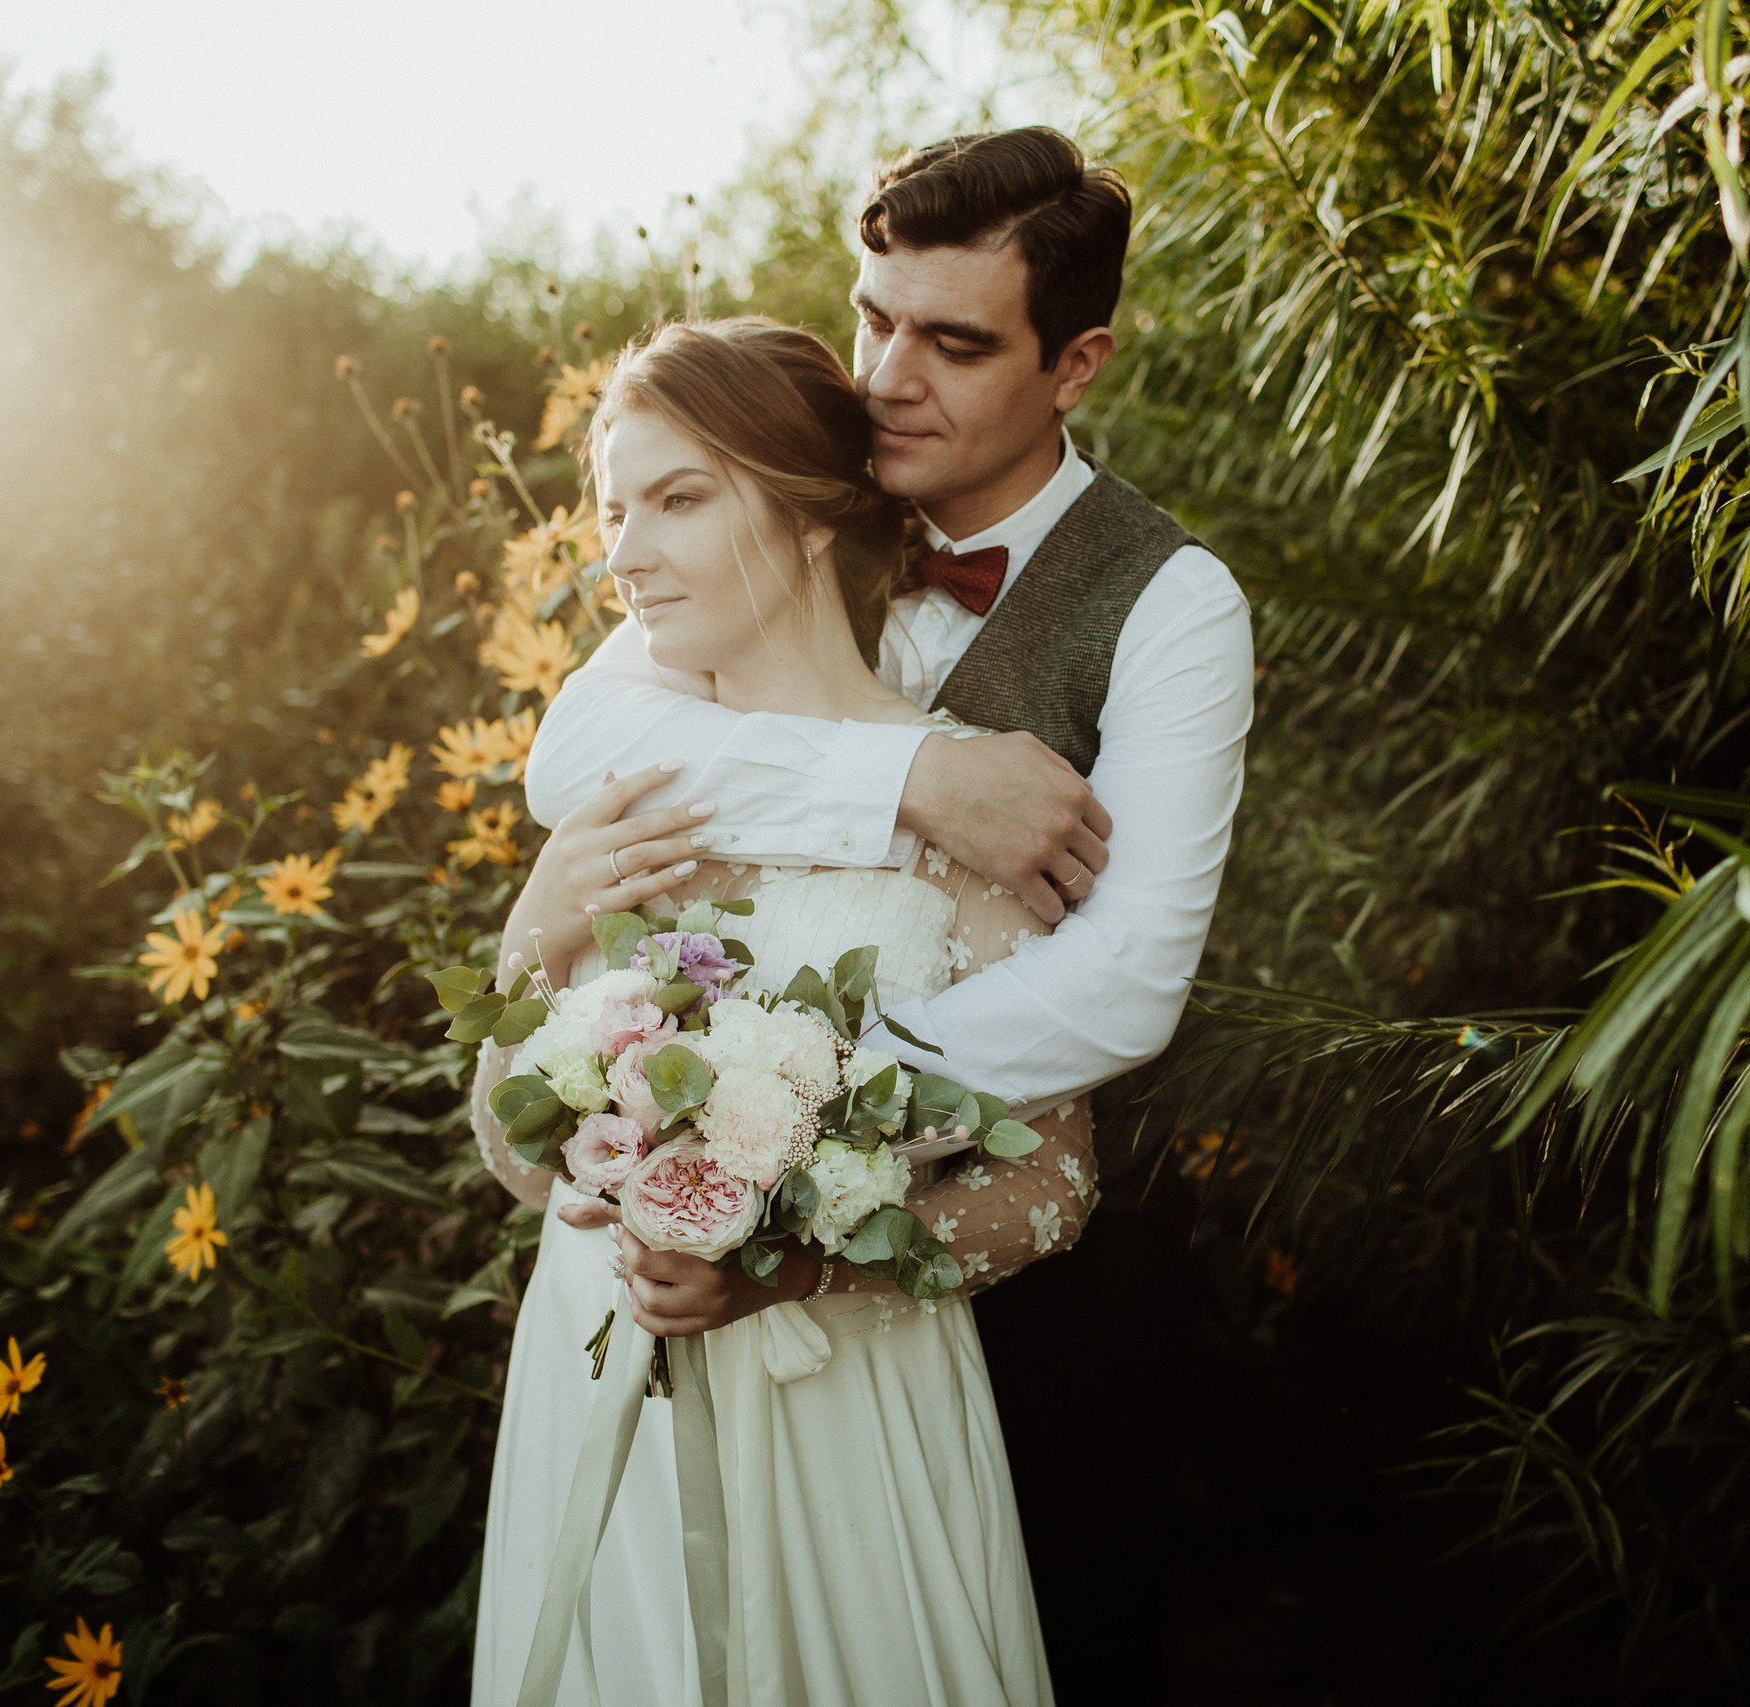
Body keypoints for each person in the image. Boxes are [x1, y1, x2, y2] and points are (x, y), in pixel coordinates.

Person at [518, 128, 1254, 1700]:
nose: (888, 374)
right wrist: (905, 783)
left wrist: (775, 1128)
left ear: (1079, 363)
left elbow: (1124, 988)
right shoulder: (797, 497)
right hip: (707, 1280)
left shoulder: (1173, 604)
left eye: (955, 341)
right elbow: (573, 756)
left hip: (1047, 1276)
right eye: (873, 317)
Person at [472, 319, 1107, 1707]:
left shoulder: (969, 798)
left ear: (817, 516)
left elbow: (1054, 1185)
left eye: (680, 499)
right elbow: (518, 1158)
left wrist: (795, 1267)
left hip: (848, 1417)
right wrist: (537, 926)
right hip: (602, 1396)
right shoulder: (626, 802)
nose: (624, 551)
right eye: (611, 510)